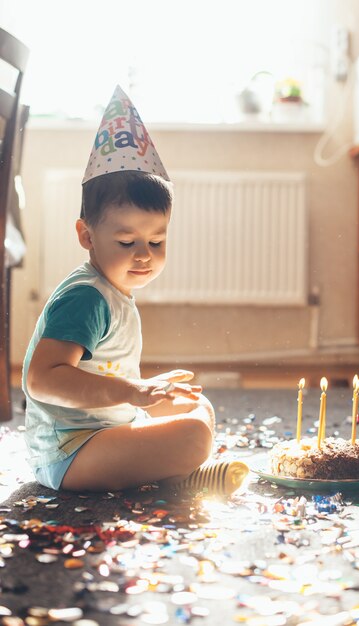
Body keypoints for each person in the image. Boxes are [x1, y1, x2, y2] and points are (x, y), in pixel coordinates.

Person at [23, 86, 248, 494]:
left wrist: (148, 389)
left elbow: (101, 372)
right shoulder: (85, 298)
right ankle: (179, 475)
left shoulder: (113, 291)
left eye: (156, 242)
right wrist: (134, 391)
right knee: (193, 437)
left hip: (104, 427)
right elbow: (41, 379)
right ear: (87, 236)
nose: (144, 255)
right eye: (127, 242)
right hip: (68, 451)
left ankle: (171, 470)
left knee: (197, 405)